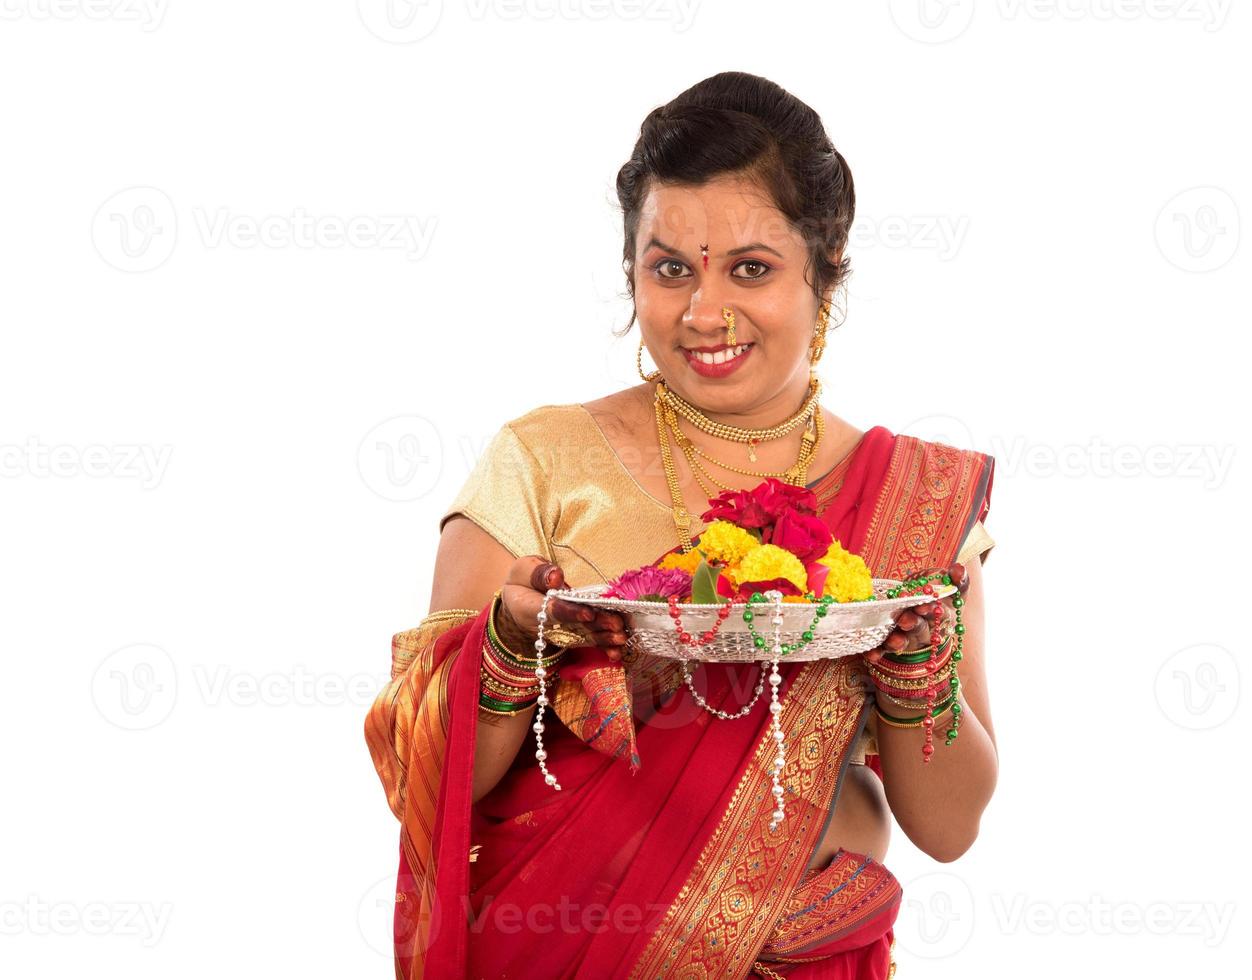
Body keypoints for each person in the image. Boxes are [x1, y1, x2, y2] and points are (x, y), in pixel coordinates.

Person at [364, 71, 999, 980]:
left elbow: (950, 827)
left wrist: (914, 670)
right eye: (670, 268)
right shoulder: (543, 462)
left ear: (826, 269)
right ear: (633, 274)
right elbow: (427, 783)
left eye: (751, 267)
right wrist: (508, 643)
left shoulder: (919, 499)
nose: (704, 313)